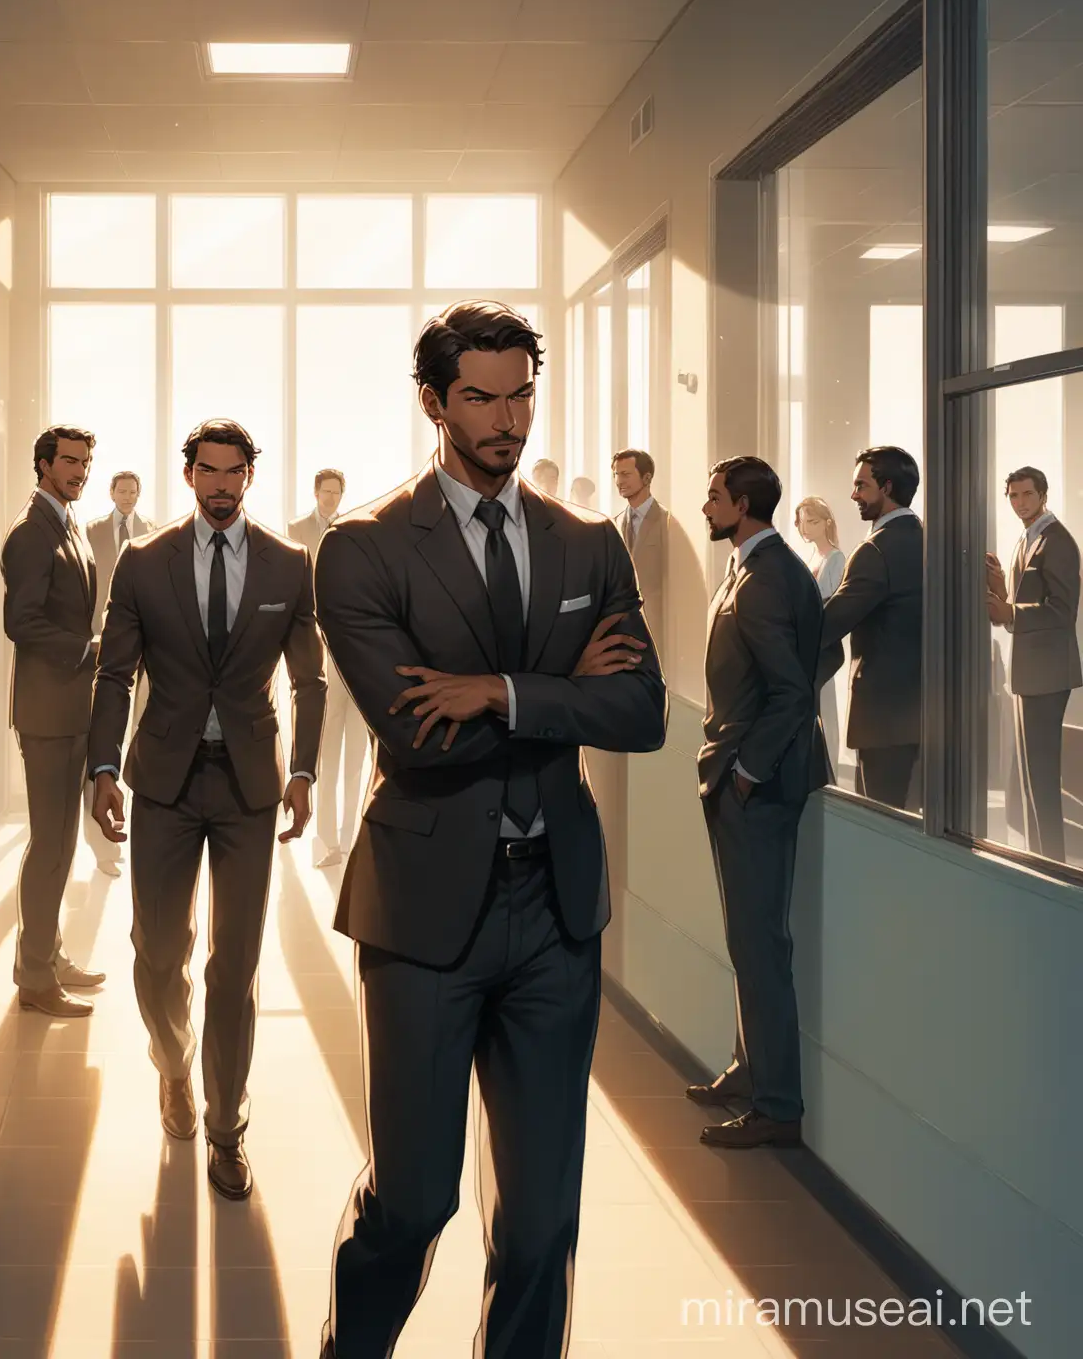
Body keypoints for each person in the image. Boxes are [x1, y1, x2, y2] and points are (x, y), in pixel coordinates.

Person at [313, 302, 667, 1357]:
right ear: (434, 402)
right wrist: (559, 693)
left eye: (521, 394)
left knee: (543, 1222)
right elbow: (418, 736)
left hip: (556, 907)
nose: (508, 418)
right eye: (482, 396)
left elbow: (641, 712)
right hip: (424, 916)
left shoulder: (587, 544)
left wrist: (501, 694)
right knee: (415, 1203)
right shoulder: (364, 550)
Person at [89, 419, 325, 1201]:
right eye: (209, 472)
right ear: (187, 475)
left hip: (251, 784)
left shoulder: (289, 564)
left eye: (235, 473)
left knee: (236, 962)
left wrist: (303, 769)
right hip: (162, 778)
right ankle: (172, 1065)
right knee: (159, 952)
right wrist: (100, 765)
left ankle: (228, 1127)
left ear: (250, 477)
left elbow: (310, 680)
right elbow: (115, 676)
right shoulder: (143, 562)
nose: (222, 486)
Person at [692, 456, 829, 1149]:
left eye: (714, 496)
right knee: (747, 938)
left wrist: (746, 770)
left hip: (758, 786)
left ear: (743, 504)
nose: (706, 504)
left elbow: (791, 691)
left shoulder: (769, 574)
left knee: (761, 943)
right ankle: (750, 1070)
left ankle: (777, 1106)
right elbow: (812, 661)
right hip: (744, 780)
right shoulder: (755, 565)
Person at [3, 424, 106, 1016]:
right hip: (46, 711)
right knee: (48, 845)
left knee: (62, 843)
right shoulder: (31, 532)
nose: (80, 471)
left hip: (69, 707)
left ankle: (47, 951)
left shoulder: (66, 523)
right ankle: (36, 976)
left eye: (85, 462)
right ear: (42, 464)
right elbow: (22, 621)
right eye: (69, 461)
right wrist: (89, 649)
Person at [820, 446, 924, 811]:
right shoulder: (930, 542)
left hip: (883, 722)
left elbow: (828, 624)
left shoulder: (875, 551)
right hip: (927, 717)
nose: (853, 495)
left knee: (881, 831)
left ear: (888, 487)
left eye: (861, 486)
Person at [986, 465, 1081, 863]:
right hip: (1031, 673)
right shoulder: (1028, 539)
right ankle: (1040, 860)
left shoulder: (1056, 541)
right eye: (1013, 496)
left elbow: (1061, 612)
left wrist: (1009, 611)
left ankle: (1053, 865)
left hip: (1047, 674)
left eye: (1027, 495)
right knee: (1028, 779)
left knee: (1041, 779)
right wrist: (1000, 589)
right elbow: (1025, 601)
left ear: (1043, 495)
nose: (1020, 503)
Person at [288, 467, 365, 869]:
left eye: (337, 492)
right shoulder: (295, 529)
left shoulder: (356, 529)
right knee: (326, 753)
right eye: (326, 492)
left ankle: (351, 838)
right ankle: (326, 840)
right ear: (316, 492)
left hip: (353, 652)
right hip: (316, 652)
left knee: (355, 758)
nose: (332, 498)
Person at [83, 470, 156, 877]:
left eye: (133, 490)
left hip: (144, 649)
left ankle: (138, 828)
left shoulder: (152, 532)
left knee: (139, 735)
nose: (127, 496)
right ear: (110, 493)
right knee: (102, 742)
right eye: (121, 490)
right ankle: (102, 849)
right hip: (98, 644)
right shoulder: (91, 532)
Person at [794, 495, 846, 763]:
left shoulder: (836, 557)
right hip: (809, 639)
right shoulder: (812, 555)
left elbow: (831, 597)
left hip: (824, 642)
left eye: (812, 522)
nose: (806, 528)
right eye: (803, 523)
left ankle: (829, 763)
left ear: (826, 523)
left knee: (825, 702)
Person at [613, 448, 670, 651]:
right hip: (622, 632)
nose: (619, 481)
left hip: (658, 629)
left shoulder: (667, 522)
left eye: (626, 474)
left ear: (646, 478)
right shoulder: (615, 523)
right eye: (616, 475)